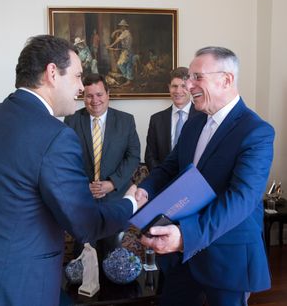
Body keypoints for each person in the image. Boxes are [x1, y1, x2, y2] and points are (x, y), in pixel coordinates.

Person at [0, 35, 144, 306]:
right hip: (9, 287)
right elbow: (85, 224)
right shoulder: (54, 135)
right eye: (77, 76)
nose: (80, 88)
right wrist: (130, 203)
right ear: (52, 72)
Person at [138, 46, 275, 305]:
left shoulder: (257, 132)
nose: (189, 85)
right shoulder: (194, 122)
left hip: (226, 258)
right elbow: (170, 167)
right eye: (189, 77)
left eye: (196, 77)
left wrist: (185, 237)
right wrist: (144, 189)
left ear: (226, 80)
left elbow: (241, 199)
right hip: (182, 260)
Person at [64, 73, 140, 256]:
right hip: (84, 200)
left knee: (113, 259)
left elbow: (133, 156)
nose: (95, 100)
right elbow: (67, 159)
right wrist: (84, 186)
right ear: (83, 97)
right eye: (89, 96)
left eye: (99, 94)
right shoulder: (71, 120)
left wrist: (112, 183)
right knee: (82, 258)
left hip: (115, 200)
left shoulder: (126, 120)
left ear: (108, 94)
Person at [145, 67, 199, 171]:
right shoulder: (156, 119)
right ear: (169, 87)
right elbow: (150, 156)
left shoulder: (203, 117)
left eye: (183, 86)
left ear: (191, 87)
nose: (178, 91)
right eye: (174, 86)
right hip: (162, 182)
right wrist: (161, 178)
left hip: (194, 180)